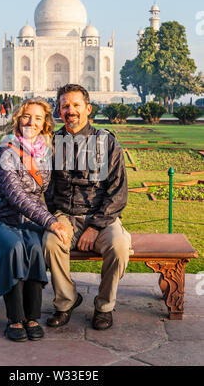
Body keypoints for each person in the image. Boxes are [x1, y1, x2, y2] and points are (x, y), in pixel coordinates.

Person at [0, 97, 68, 342]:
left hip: (27, 223)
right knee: (14, 247)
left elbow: (47, 193)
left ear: (45, 123)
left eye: (38, 118)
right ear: (18, 119)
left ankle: (33, 317)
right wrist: (51, 222)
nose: (32, 122)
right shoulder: (5, 150)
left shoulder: (44, 152)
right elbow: (17, 197)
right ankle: (15, 318)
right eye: (27, 116)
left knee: (36, 248)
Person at [43, 84, 132, 331]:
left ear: (88, 109)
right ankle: (66, 301)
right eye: (65, 106)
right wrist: (52, 220)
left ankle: (104, 306)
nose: (70, 110)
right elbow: (47, 189)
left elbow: (117, 192)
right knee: (51, 243)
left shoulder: (106, 143)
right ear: (59, 111)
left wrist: (94, 226)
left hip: (101, 217)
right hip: (66, 216)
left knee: (119, 246)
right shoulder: (53, 143)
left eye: (75, 105)